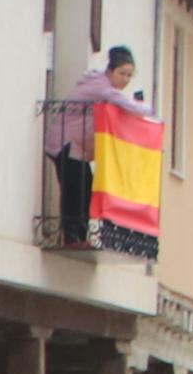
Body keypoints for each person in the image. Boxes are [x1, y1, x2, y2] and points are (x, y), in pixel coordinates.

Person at [42, 46, 150, 248]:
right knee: (74, 189)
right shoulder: (102, 88)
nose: (125, 79)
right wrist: (145, 107)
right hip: (64, 144)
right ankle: (72, 237)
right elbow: (134, 109)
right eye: (122, 73)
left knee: (84, 188)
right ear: (110, 71)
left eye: (129, 75)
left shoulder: (105, 87)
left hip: (77, 149)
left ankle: (79, 236)